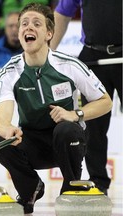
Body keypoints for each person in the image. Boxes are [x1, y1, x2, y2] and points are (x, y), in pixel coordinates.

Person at [0, 3, 112, 215]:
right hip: (33, 143)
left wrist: (75, 114)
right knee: (1, 142)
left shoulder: (69, 65)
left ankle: (70, 190)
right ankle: (30, 189)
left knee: (67, 129)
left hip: (67, 141)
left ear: (49, 33)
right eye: (24, 24)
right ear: (19, 34)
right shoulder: (9, 72)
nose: (29, 28)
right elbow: (3, 116)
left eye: (37, 24)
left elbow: (105, 101)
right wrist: (8, 129)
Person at [50, 0, 122, 195]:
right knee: (93, 126)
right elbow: (62, 13)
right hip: (92, 55)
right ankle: (98, 183)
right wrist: (49, 54)